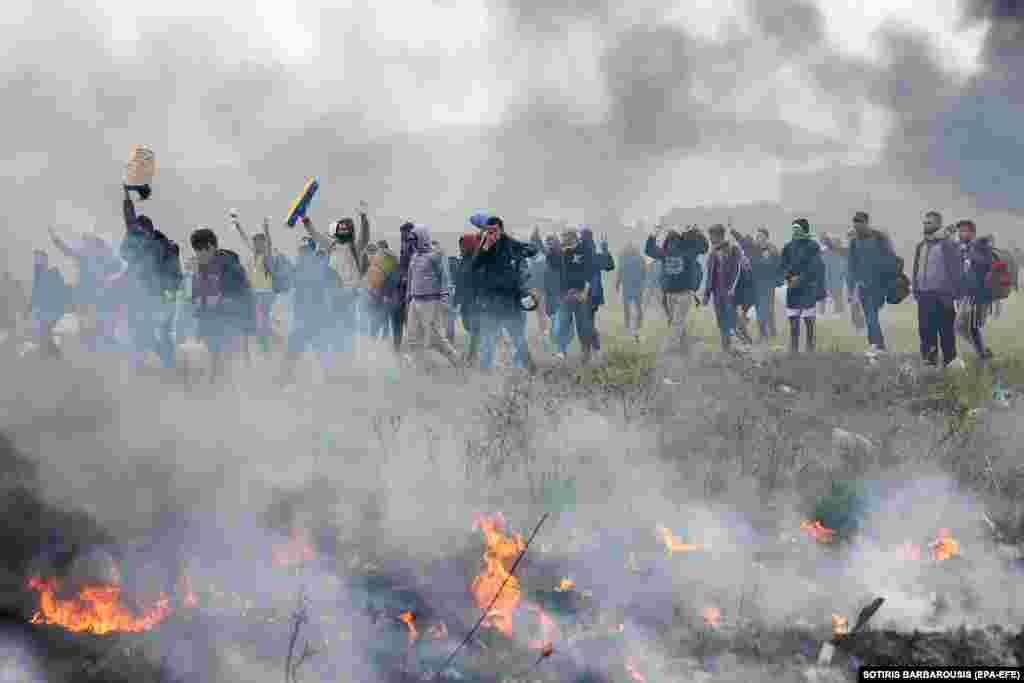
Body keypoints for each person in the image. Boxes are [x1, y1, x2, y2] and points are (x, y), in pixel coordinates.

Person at [117, 186, 183, 369]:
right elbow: (130, 224)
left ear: (147, 231)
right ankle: (163, 361)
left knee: (156, 330)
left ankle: (165, 362)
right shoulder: (151, 244)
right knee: (149, 330)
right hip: (162, 294)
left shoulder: (156, 245)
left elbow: (130, 223)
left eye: (138, 232)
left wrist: (127, 197)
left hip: (163, 295)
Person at [301, 203, 371, 366]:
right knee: (332, 328)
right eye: (341, 228)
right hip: (332, 295)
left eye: (346, 228)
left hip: (349, 297)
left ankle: (347, 363)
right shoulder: (331, 246)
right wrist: (305, 220)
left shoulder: (355, 247)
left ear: (351, 231)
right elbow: (316, 235)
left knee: (347, 330)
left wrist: (364, 218)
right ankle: (334, 363)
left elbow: (365, 237)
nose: (343, 231)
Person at [189, 228, 253, 384]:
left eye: (200, 250)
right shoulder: (202, 266)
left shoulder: (229, 265)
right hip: (213, 327)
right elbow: (198, 298)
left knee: (226, 371)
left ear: (211, 247)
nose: (197, 255)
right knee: (216, 369)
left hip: (231, 325)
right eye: (196, 251)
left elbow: (243, 297)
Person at [472, 216, 536, 372]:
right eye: (488, 230)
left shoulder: (510, 243)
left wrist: (522, 253)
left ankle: (531, 368)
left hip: (510, 300)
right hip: (491, 300)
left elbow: (532, 249)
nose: (491, 233)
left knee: (518, 338)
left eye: (494, 230)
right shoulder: (485, 244)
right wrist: (486, 246)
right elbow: (475, 265)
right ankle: (484, 371)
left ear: (501, 229)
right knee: (487, 338)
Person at [403, 224, 461, 368]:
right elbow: (411, 278)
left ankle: (458, 362)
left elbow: (445, 278)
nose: (412, 243)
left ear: (422, 238)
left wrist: (444, 299)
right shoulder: (415, 256)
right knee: (412, 337)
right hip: (415, 301)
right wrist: (408, 296)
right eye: (411, 240)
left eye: (415, 239)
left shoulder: (435, 255)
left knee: (436, 339)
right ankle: (421, 367)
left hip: (431, 302)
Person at [278, 237, 333, 386]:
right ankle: (284, 379)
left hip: (317, 319)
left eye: (306, 250)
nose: (303, 253)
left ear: (312, 251)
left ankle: (331, 381)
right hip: (301, 319)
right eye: (301, 251)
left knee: (323, 353)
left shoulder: (320, 265)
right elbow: (286, 283)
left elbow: (327, 252)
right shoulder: (298, 267)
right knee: (292, 352)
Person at [645, 225, 708, 354]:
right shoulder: (665, 254)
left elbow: (704, 247)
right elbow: (649, 250)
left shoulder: (688, 252)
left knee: (677, 321)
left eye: (673, 242)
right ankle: (686, 346)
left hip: (685, 294)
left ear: (678, 242)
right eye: (669, 242)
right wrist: (653, 235)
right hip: (669, 294)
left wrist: (696, 232)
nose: (671, 245)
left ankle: (671, 348)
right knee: (676, 322)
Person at [911, 211, 962, 368]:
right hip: (924, 296)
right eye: (925, 222)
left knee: (946, 332)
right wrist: (916, 290)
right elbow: (916, 269)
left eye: (929, 222)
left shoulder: (948, 244)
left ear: (938, 224)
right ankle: (929, 362)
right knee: (926, 331)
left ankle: (950, 361)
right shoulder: (921, 245)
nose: (925, 225)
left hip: (943, 297)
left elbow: (956, 270)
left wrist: (956, 295)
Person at [847, 211, 897, 356]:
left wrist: (884, 277)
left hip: (878, 285)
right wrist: (852, 288)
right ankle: (878, 346)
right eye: (855, 222)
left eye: (860, 222)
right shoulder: (854, 241)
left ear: (866, 223)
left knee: (871, 316)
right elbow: (851, 265)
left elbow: (890, 258)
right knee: (870, 316)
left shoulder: (879, 238)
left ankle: (876, 346)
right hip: (862, 285)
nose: (857, 225)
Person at [231, 212, 280, 358]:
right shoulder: (253, 255)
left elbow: (269, 244)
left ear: (263, 243)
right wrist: (238, 226)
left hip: (265, 294)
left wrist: (266, 229)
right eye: (255, 241)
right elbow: (244, 240)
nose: (256, 243)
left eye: (259, 241)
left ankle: (266, 345)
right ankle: (267, 342)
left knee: (260, 321)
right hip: (255, 293)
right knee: (259, 321)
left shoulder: (268, 255)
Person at [779, 219, 826, 355]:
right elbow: (782, 266)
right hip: (792, 288)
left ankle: (810, 348)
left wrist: (800, 278)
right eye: (793, 229)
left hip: (807, 287)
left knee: (808, 319)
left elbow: (815, 266)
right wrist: (788, 277)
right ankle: (794, 349)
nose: (795, 231)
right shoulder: (788, 247)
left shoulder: (813, 246)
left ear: (805, 230)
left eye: (798, 229)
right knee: (793, 319)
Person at [951, 219, 994, 360]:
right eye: (959, 231)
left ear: (972, 233)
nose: (961, 233)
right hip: (963, 293)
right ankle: (982, 352)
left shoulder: (981, 246)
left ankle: (981, 352)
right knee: (969, 326)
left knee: (961, 326)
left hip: (976, 293)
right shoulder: (959, 247)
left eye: (964, 231)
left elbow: (987, 264)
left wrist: (970, 253)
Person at [704, 224, 750, 353]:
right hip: (717, 294)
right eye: (710, 236)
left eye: (712, 236)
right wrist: (707, 295)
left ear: (719, 236)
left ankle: (748, 345)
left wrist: (734, 289)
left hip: (731, 293)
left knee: (734, 322)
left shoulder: (733, 249)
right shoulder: (712, 253)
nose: (710, 239)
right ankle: (726, 349)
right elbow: (710, 275)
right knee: (722, 322)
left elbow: (741, 269)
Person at [551, 228, 595, 364]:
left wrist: (585, 293)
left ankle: (585, 352)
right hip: (565, 295)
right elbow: (554, 266)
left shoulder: (585, 249)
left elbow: (589, 273)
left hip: (581, 294)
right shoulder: (563, 251)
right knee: (560, 326)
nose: (562, 238)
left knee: (583, 326)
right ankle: (561, 350)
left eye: (564, 236)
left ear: (572, 237)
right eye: (562, 236)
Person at [739, 228, 781, 343]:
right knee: (759, 309)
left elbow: (777, 265)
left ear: (766, 237)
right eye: (757, 236)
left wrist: (778, 279)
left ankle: (772, 332)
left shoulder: (772, 249)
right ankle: (763, 334)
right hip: (756, 283)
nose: (758, 238)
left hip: (768, 284)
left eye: (761, 236)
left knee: (769, 310)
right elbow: (743, 242)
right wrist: (732, 230)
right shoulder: (754, 249)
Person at [28, 250, 69, 359]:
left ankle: (53, 352)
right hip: (42, 308)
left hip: (51, 309)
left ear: (45, 260)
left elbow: (61, 290)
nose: (37, 261)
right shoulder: (38, 272)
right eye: (35, 259)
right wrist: (31, 306)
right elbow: (36, 290)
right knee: (43, 331)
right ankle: (50, 352)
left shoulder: (53, 272)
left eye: (39, 259)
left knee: (44, 330)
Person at [580, 228, 615, 355]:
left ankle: (591, 348)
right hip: (591, 294)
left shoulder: (584, 254)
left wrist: (605, 249)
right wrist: (605, 249)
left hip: (589, 293)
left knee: (586, 321)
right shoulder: (592, 254)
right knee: (587, 321)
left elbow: (610, 266)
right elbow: (610, 266)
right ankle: (592, 347)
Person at [453, 231, 482, 362]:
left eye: (463, 246)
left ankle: (473, 355)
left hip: (475, 301)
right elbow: (459, 281)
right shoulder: (463, 261)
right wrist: (456, 299)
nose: (461, 248)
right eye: (460, 246)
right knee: (467, 325)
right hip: (465, 300)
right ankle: (474, 352)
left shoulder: (476, 262)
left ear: (470, 246)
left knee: (474, 328)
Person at [364, 239, 401, 341]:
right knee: (381, 318)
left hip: (383, 295)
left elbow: (388, 278)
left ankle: (378, 338)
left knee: (380, 318)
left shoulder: (388, 260)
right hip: (380, 294)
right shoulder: (389, 259)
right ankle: (380, 337)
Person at [616, 240, 647, 343]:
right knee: (637, 307)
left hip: (629, 286)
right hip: (635, 286)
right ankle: (636, 326)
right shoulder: (639, 258)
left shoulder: (624, 258)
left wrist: (617, 283)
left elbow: (620, 272)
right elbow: (644, 273)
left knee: (629, 307)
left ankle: (629, 325)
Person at [819, 233, 847, 318]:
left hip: (835, 280)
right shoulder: (826, 253)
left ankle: (838, 312)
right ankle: (822, 312)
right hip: (829, 279)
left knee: (837, 296)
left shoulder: (841, 254)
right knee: (826, 296)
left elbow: (844, 268)